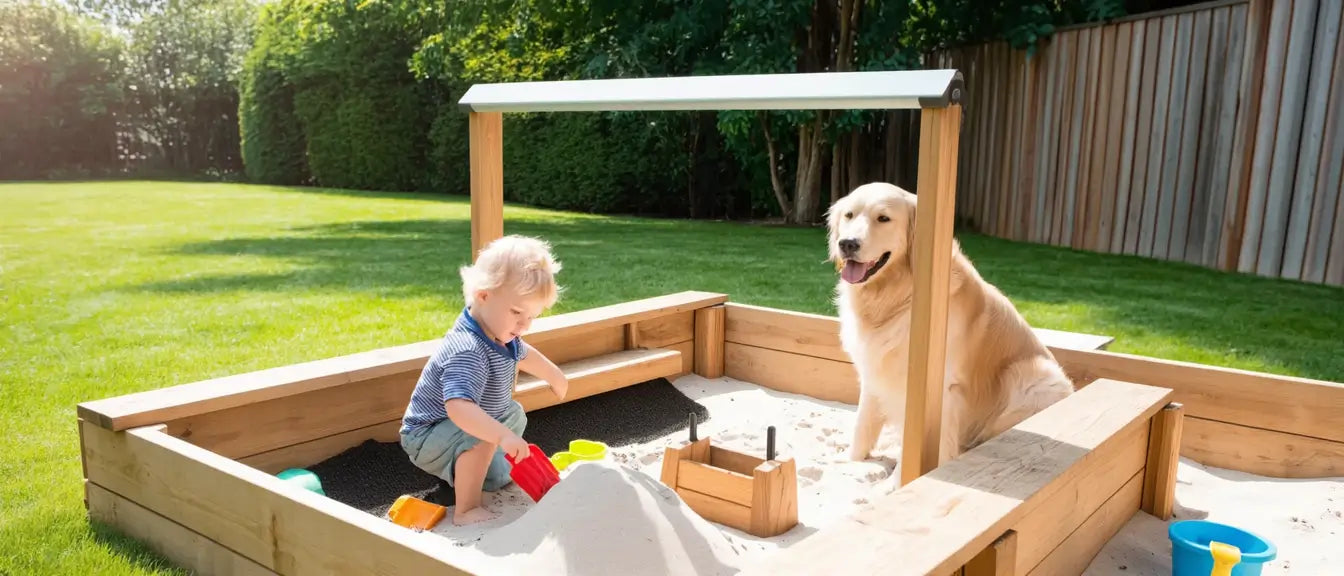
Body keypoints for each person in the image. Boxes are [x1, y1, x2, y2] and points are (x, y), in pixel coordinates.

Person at [399, 235, 568, 525]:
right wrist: (500, 435)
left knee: (511, 414)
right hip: (426, 436)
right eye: (517, 312)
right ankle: (465, 509)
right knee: (483, 430)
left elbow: (523, 353)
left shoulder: (500, 331)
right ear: (483, 296)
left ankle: (484, 473)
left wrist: (554, 375)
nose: (524, 324)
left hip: (462, 424)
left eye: (532, 316)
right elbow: (459, 409)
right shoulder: (468, 350)